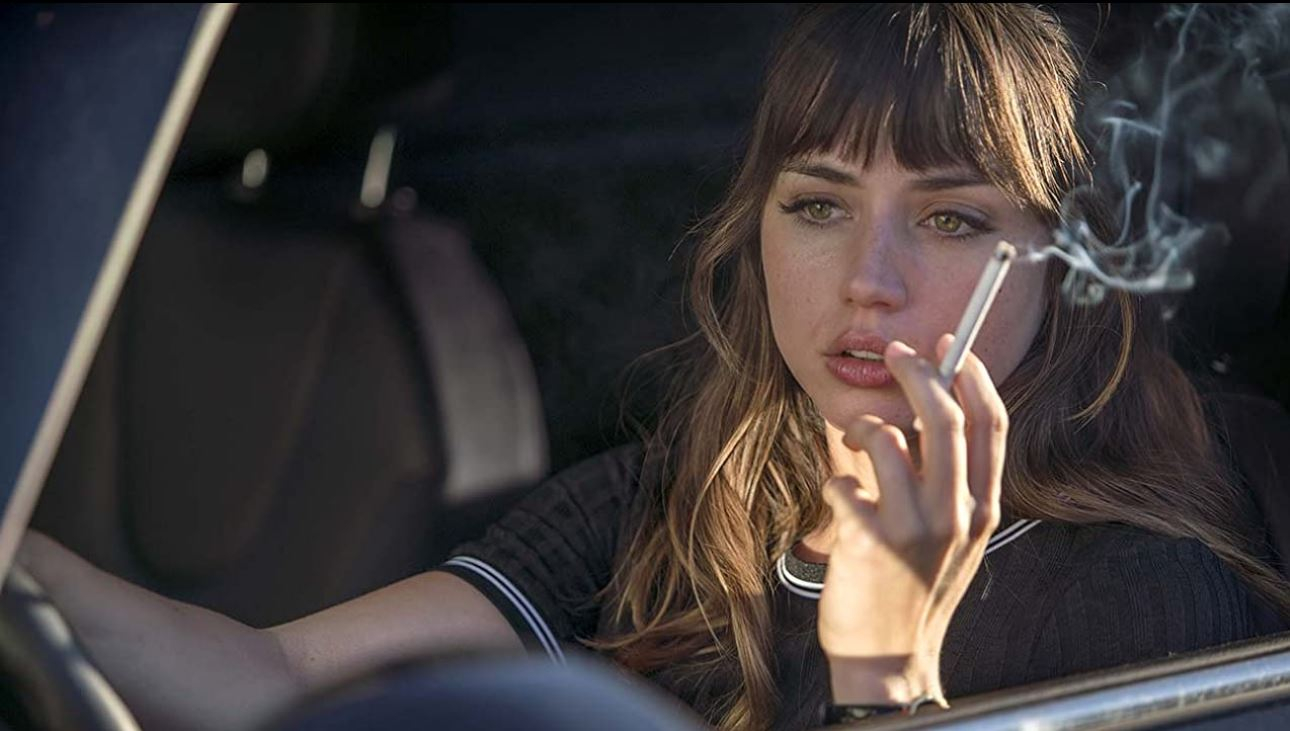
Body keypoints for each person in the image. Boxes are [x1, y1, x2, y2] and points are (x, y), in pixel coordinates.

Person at [17, 4, 1290, 731]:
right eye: (818, 204)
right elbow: (277, 678)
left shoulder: (1151, 577)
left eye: (952, 218)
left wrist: (883, 674)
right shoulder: (675, 497)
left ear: (1053, 263)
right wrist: (21, 565)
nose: (870, 278)